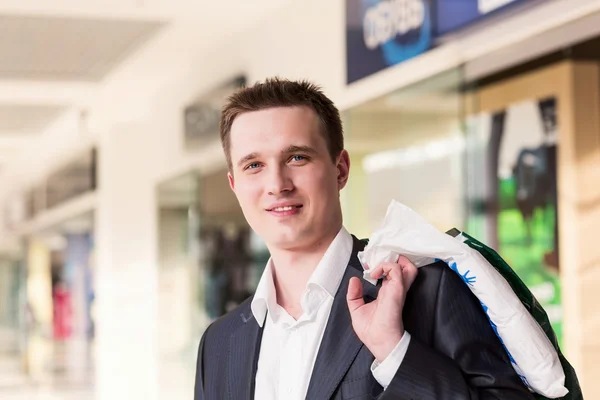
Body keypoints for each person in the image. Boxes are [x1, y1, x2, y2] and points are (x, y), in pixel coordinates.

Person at [194, 78, 533, 400]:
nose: (277, 184)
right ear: (235, 184)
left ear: (340, 169)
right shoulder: (219, 343)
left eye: (297, 157)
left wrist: (395, 353)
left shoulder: (427, 290)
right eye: (253, 165)